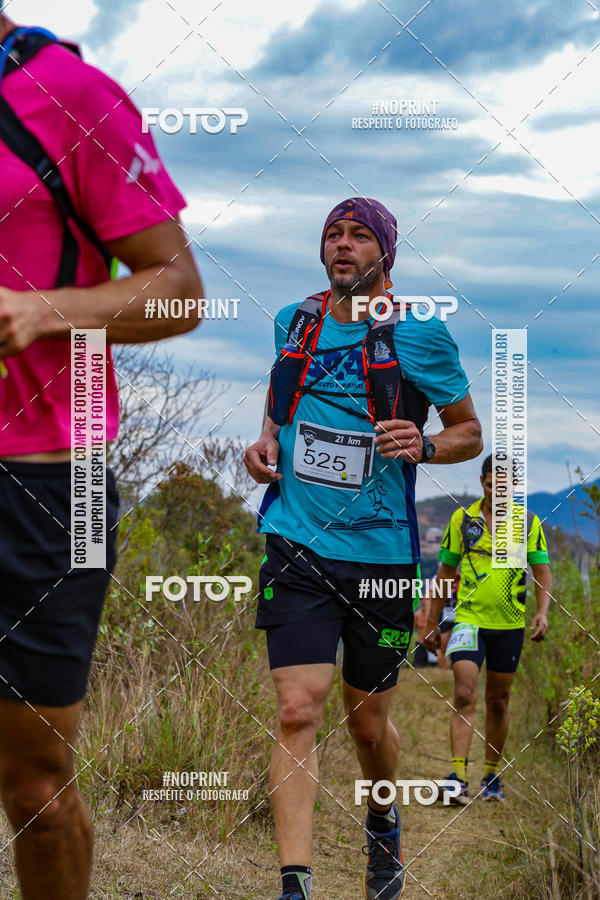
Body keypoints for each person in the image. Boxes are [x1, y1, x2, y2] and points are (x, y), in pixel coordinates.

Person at [0, 13, 203, 899]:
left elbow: (180, 291)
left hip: (53, 478)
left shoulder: (69, 94)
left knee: (35, 782)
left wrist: (44, 311)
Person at [244, 196, 482, 900]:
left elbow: (470, 431)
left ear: (386, 254)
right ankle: (296, 883)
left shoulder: (419, 334)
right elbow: (280, 405)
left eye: (359, 236)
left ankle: (383, 818)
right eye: (333, 234)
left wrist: (430, 443)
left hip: (381, 556)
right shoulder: (298, 322)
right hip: (296, 543)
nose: (343, 245)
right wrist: (264, 443)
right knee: (297, 706)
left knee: (367, 719)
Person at [424, 454, 551, 804]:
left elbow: (541, 571)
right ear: (482, 482)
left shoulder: (527, 523)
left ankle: (492, 775)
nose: (496, 488)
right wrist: (434, 620)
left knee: (498, 701)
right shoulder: (462, 520)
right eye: (490, 482)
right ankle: (457, 778)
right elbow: (444, 573)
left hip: (509, 626)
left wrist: (542, 612)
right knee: (464, 693)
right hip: (468, 622)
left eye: (503, 483)